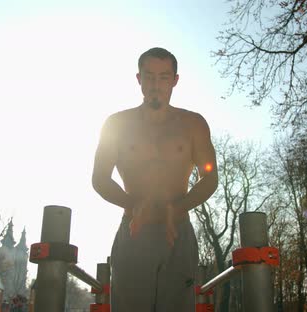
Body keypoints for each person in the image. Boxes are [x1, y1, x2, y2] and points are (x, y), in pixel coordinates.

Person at [92, 47, 218, 311]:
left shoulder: (193, 123)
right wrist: (133, 205)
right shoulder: (116, 123)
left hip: (178, 231)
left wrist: (178, 207)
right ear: (138, 79)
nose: (156, 85)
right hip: (134, 230)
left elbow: (210, 178)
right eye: (149, 76)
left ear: (175, 80)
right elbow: (100, 179)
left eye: (163, 77)